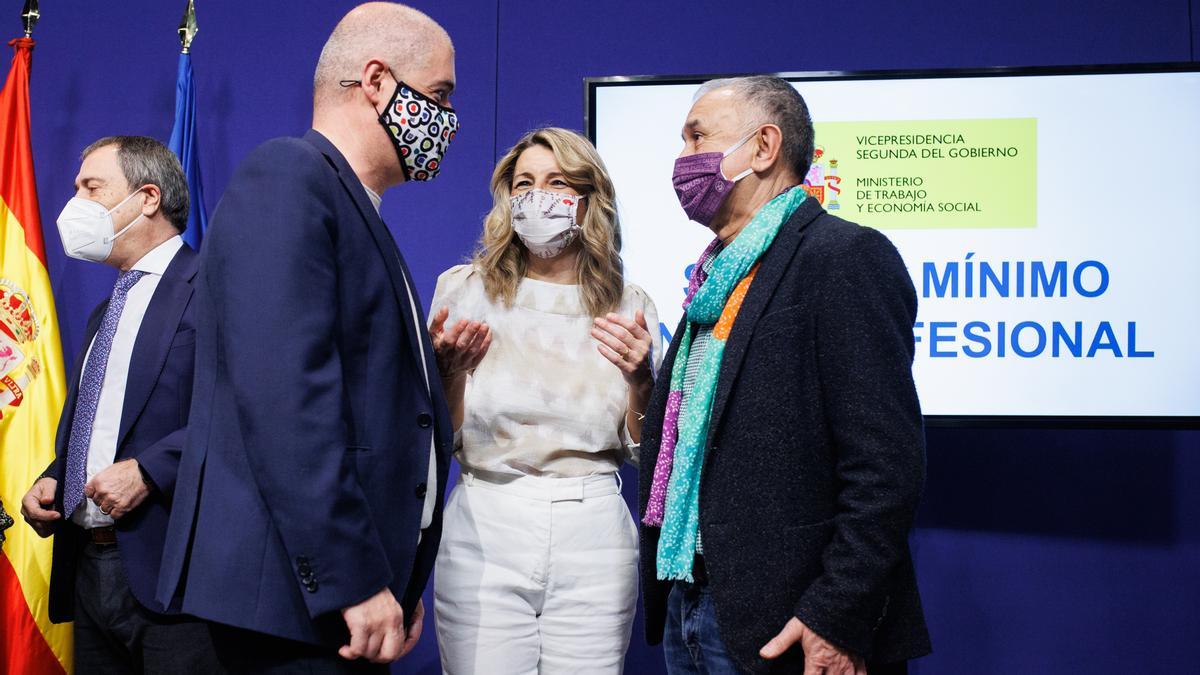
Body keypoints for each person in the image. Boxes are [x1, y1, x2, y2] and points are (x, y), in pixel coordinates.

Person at [154, 3, 456, 671]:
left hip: (334, 609)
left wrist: (398, 579)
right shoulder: (289, 175)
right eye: (438, 95)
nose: (446, 122)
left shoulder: (351, 204)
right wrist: (352, 577)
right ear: (377, 81)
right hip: (295, 609)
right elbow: (288, 397)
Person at [638, 76, 932, 674]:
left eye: (698, 137)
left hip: (793, 624)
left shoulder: (844, 257)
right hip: (692, 601)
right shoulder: (714, 277)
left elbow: (885, 467)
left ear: (764, 147)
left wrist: (835, 615)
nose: (682, 160)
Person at [429, 127, 661, 674]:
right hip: (487, 517)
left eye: (557, 182)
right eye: (524, 183)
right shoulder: (464, 291)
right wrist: (450, 375)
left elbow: (644, 450)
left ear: (587, 199)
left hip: (593, 527)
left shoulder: (630, 306)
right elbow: (440, 435)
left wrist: (642, 382)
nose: (537, 196)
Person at [18, 136, 219, 672]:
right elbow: (104, 421)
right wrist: (56, 474)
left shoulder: (214, 289)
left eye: (91, 187)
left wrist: (152, 472)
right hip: (88, 568)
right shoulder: (105, 309)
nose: (76, 203)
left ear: (148, 197)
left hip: (174, 581)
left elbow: (239, 409)